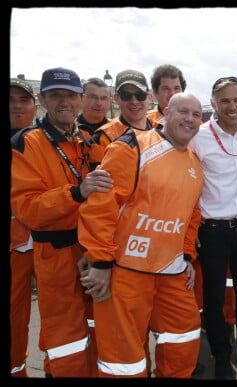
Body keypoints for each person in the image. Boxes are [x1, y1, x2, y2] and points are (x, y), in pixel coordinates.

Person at [78, 92, 205, 378]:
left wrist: (186, 257)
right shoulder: (132, 146)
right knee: (124, 361)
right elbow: (101, 206)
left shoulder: (194, 162)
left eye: (196, 115)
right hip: (126, 273)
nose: (190, 119)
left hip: (172, 273)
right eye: (183, 111)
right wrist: (99, 262)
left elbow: (191, 217)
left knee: (183, 341)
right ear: (165, 113)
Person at [10, 67, 114, 377]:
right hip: (55, 254)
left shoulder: (85, 139)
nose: (64, 102)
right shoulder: (26, 143)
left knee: (97, 327)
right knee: (66, 339)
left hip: (91, 251)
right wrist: (76, 192)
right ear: (42, 100)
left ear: (80, 101)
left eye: (70, 96)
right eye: (56, 96)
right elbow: (27, 208)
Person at [189, 76, 237, 380]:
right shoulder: (199, 136)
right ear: (213, 104)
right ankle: (221, 354)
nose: (232, 107)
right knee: (214, 298)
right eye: (225, 101)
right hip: (213, 232)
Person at [9, 78, 39, 377]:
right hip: (15, 245)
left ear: (34, 105)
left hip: (47, 242)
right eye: (10, 100)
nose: (16, 106)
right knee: (14, 318)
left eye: (22, 100)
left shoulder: (46, 140)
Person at [89, 69, 156, 167]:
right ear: (116, 99)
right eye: (126, 95)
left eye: (140, 95)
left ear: (149, 98)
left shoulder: (161, 129)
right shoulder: (102, 138)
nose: (134, 101)